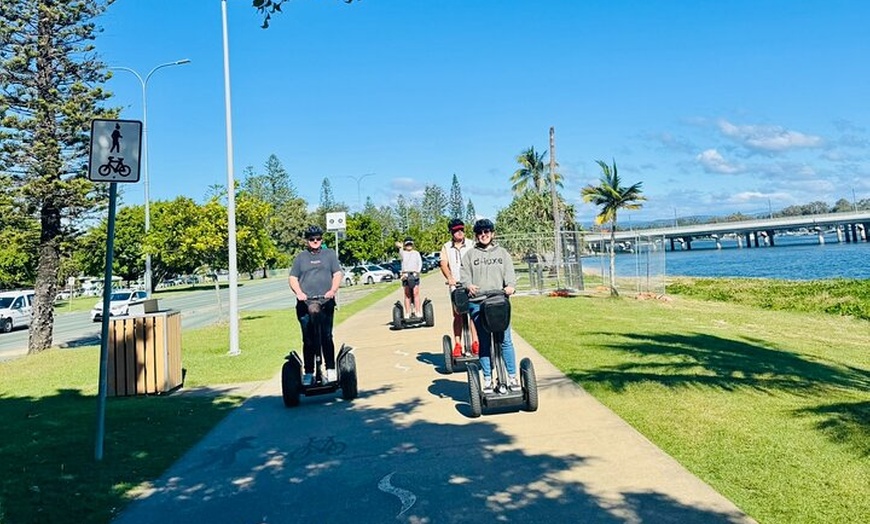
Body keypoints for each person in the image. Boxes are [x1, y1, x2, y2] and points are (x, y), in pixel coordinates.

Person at [460, 218, 518, 392]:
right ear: (476, 236)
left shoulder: (503, 253)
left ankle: (513, 377)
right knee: (484, 342)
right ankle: (487, 378)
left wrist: (510, 286)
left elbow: (510, 273)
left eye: (486, 232)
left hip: (499, 302)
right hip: (478, 302)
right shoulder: (470, 254)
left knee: (505, 340)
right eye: (480, 233)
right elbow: (464, 275)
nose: (483, 235)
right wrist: (468, 285)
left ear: (492, 234)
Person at [288, 225, 343, 385]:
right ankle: (309, 372)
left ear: (321, 239)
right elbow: (293, 278)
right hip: (305, 304)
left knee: (326, 336)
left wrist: (333, 290)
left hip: (325, 302)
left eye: (318, 238)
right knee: (308, 339)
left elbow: (337, 274)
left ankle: (331, 369)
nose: (315, 241)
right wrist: (299, 293)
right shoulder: (301, 258)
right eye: (312, 239)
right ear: (307, 241)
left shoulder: (330, 255)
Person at [439, 218, 478, 357]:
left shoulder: (471, 244)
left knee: (474, 314)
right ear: (451, 232)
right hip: (456, 286)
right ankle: (457, 344)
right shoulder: (446, 247)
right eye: (456, 230)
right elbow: (443, 263)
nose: (460, 232)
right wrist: (449, 278)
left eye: (461, 229)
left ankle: (475, 342)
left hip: (472, 285)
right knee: (458, 315)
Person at [397, 236, 423, 317]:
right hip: (405, 274)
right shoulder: (403, 253)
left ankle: (417, 311)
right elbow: (399, 248)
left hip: (415, 274)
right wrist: (400, 246)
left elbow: (420, 263)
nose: (409, 246)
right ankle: (408, 312)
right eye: (407, 244)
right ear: (405, 245)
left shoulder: (416, 253)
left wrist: (418, 272)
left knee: (416, 293)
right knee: (407, 294)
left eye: (410, 244)